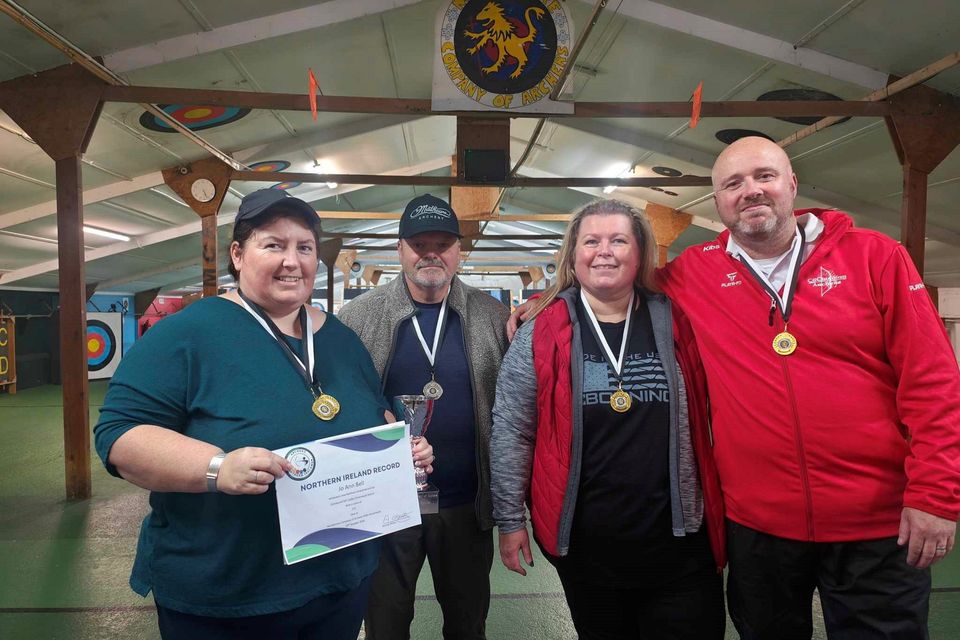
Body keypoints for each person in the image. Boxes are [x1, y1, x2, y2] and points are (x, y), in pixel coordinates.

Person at [94, 188, 434, 640]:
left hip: (337, 583)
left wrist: (398, 453)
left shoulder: (340, 338)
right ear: (238, 254)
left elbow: (373, 419)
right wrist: (216, 467)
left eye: (304, 247)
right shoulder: (188, 334)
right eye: (273, 244)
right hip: (229, 594)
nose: (292, 261)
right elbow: (119, 437)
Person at [491, 199, 725, 640]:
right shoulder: (539, 332)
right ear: (573, 255)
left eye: (619, 240)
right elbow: (512, 428)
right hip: (587, 546)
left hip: (678, 543)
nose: (605, 252)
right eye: (591, 241)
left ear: (640, 254)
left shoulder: (678, 319)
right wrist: (510, 519)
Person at [338, 193, 510, 640]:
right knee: (386, 623)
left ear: (458, 251)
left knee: (469, 622)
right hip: (385, 507)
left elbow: (512, 410)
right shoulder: (358, 318)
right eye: (419, 243)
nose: (431, 253)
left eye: (443, 243)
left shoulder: (493, 316)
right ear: (399, 249)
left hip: (466, 504)